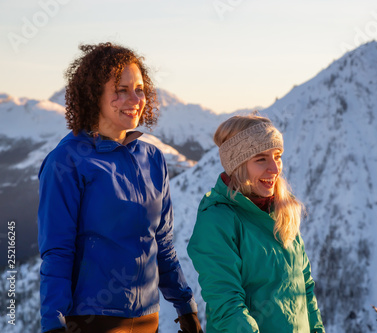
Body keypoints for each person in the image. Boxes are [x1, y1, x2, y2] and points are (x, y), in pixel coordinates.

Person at [37, 42, 203, 333]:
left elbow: (162, 244)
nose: (135, 99)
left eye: (139, 89)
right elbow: (57, 250)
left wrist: (184, 305)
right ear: (94, 96)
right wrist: (53, 323)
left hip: (147, 320)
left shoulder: (152, 159)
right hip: (93, 322)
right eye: (121, 90)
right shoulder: (67, 161)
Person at [187, 115, 325, 332]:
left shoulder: (281, 211)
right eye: (261, 159)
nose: (274, 168)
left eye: (277, 156)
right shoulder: (218, 219)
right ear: (238, 165)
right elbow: (227, 307)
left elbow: (305, 289)